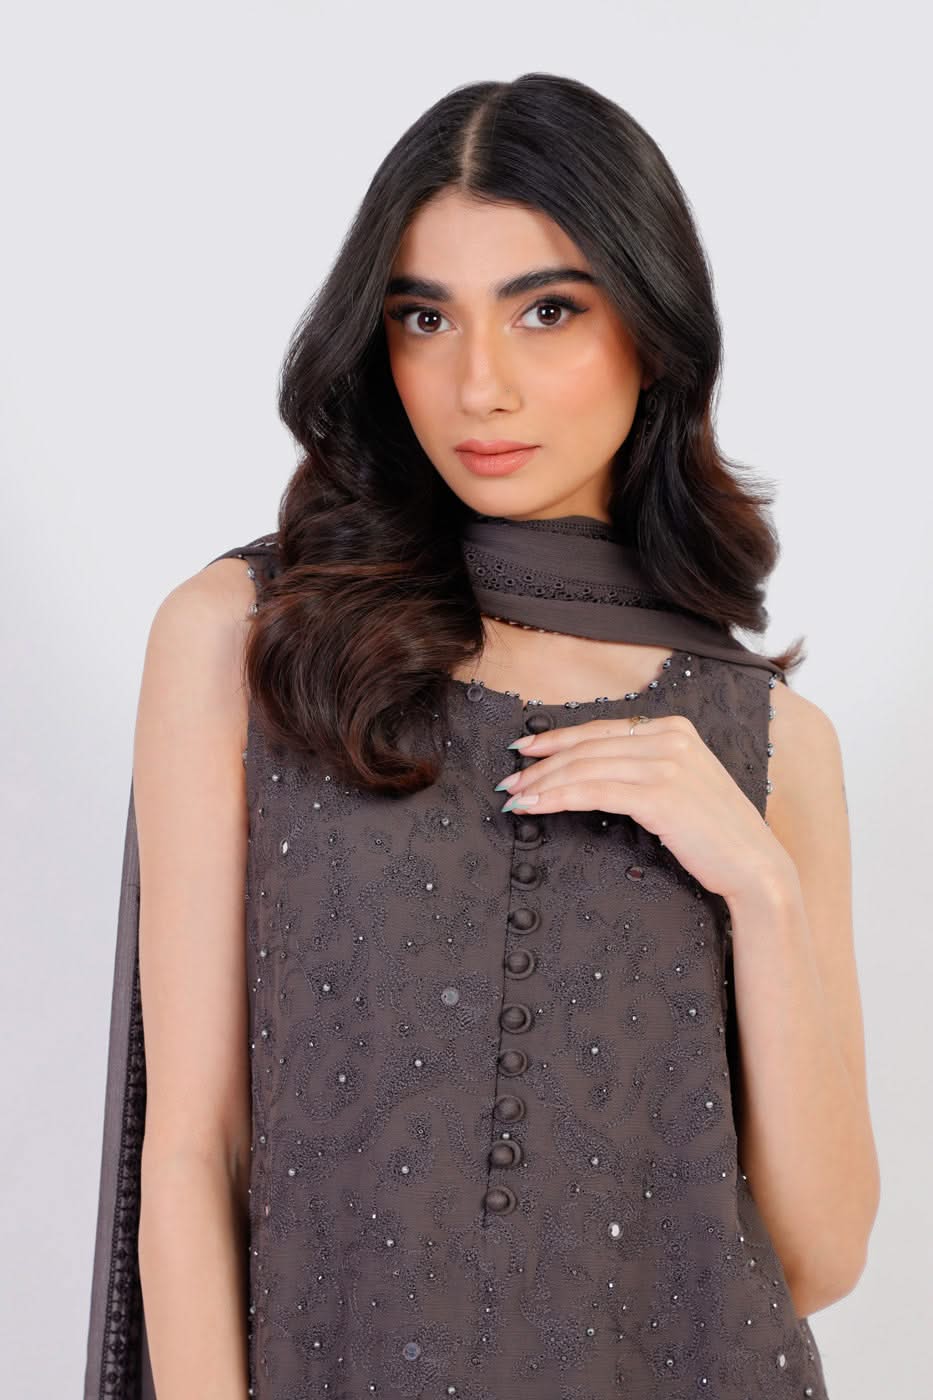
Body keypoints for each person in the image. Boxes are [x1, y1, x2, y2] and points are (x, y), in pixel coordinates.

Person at [84, 72, 879, 1400]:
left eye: (547, 310)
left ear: (655, 333)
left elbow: (819, 1257)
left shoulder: (769, 744)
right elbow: (194, 1152)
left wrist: (758, 882)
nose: (479, 384)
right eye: (424, 317)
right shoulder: (249, 638)